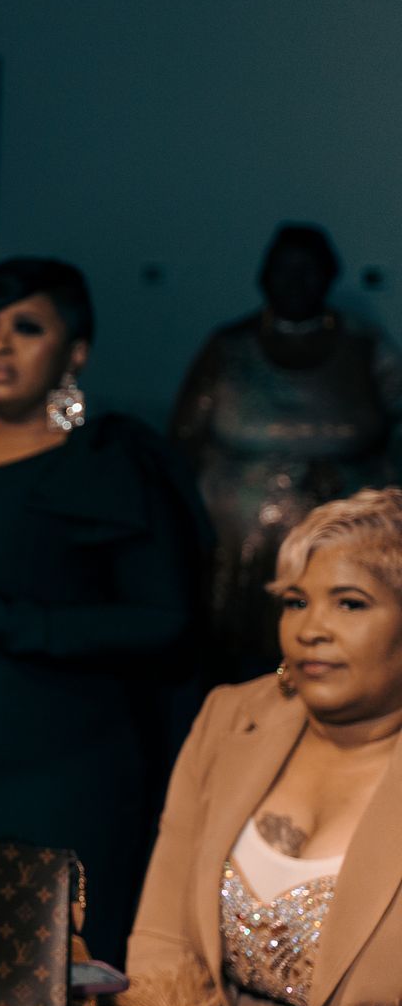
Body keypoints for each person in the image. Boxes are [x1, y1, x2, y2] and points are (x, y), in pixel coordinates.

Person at [0, 259, 208, 965]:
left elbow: (164, 621)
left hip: (66, 770)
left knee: (59, 980)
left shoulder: (110, 462)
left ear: (76, 353)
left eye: (27, 327)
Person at [119, 489, 402, 1006]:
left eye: (349, 604)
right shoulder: (231, 718)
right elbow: (162, 934)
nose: (310, 629)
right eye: (296, 602)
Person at [173, 224, 402, 686]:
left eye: (308, 270)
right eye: (284, 269)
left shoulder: (365, 345)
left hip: (342, 542)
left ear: (328, 276)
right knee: (235, 659)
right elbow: (184, 438)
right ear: (264, 276)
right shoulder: (229, 347)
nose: (295, 282)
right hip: (235, 547)